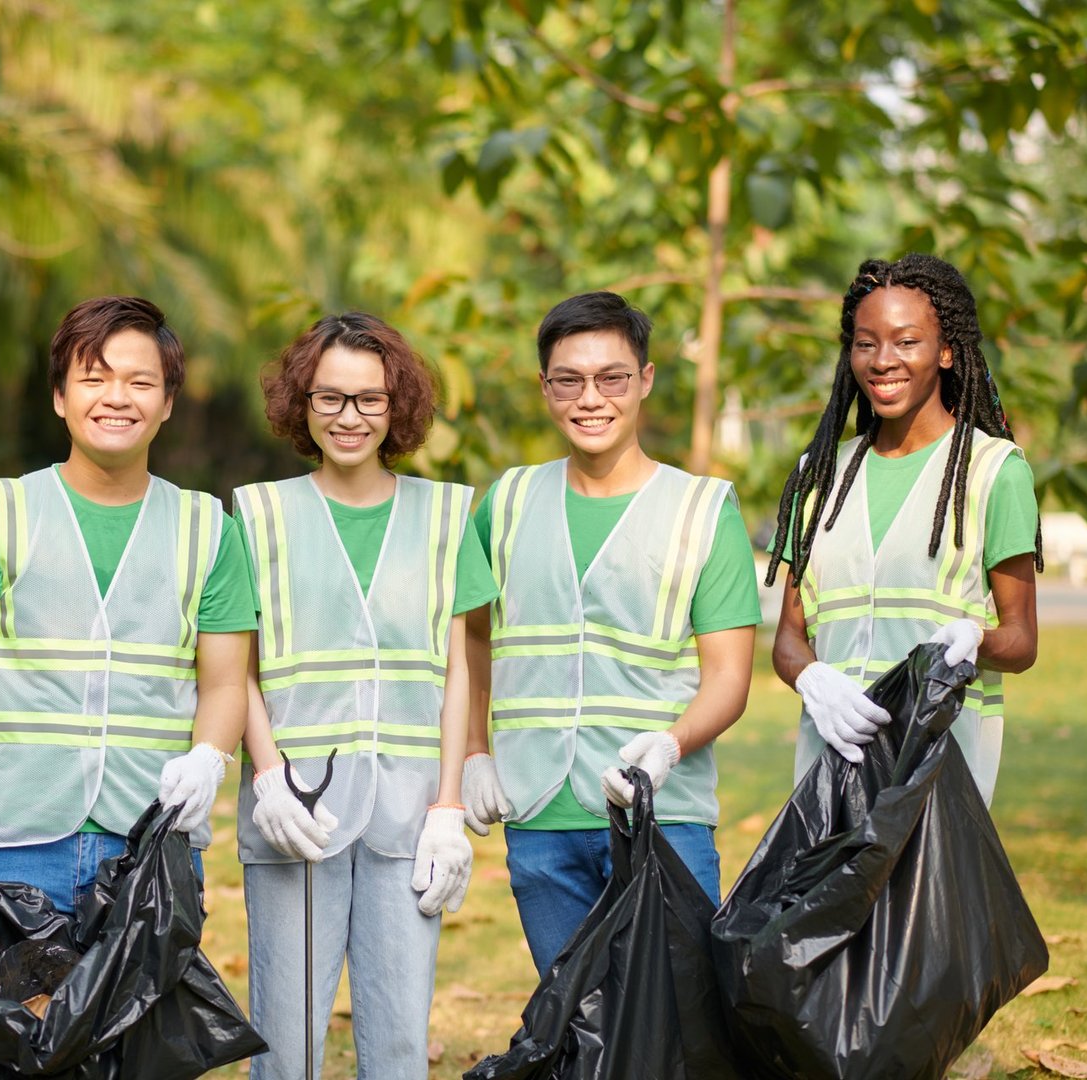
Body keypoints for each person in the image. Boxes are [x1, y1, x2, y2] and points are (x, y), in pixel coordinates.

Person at [0, 296, 254, 921]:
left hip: (152, 839)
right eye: (93, 379)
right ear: (59, 396)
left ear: (168, 403)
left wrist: (209, 757)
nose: (116, 398)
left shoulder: (210, 528)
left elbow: (227, 681)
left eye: (140, 381)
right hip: (13, 843)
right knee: (19, 1022)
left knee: (142, 1024)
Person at [462, 291, 760, 976]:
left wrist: (670, 744)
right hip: (539, 813)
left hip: (663, 817)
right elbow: (470, 638)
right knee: (572, 1026)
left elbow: (729, 677)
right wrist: (475, 752)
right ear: (545, 388)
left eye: (612, 378)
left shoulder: (701, 510)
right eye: (569, 379)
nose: (590, 398)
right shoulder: (505, 502)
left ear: (645, 381)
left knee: (674, 1025)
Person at [234, 312, 495, 1080]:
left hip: (411, 817)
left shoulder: (447, 517)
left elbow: (458, 670)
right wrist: (266, 775)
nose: (350, 417)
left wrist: (449, 804)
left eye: (370, 400)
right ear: (302, 405)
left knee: (400, 1047)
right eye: (330, 398)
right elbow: (232, 670)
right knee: (287, 1043)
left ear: (397, 405)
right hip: (298, 816)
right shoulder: (259, 517)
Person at [766, 253, 1041, 804]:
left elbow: (1022, 641)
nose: (882, 360)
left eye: (906, 341)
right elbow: (789, 639)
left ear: (945, 351)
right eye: (866, 343)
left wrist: (974, 641)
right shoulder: (816, 476)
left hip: (939, 770)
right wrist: (813, 682)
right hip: (830, 775)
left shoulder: (994, 473)